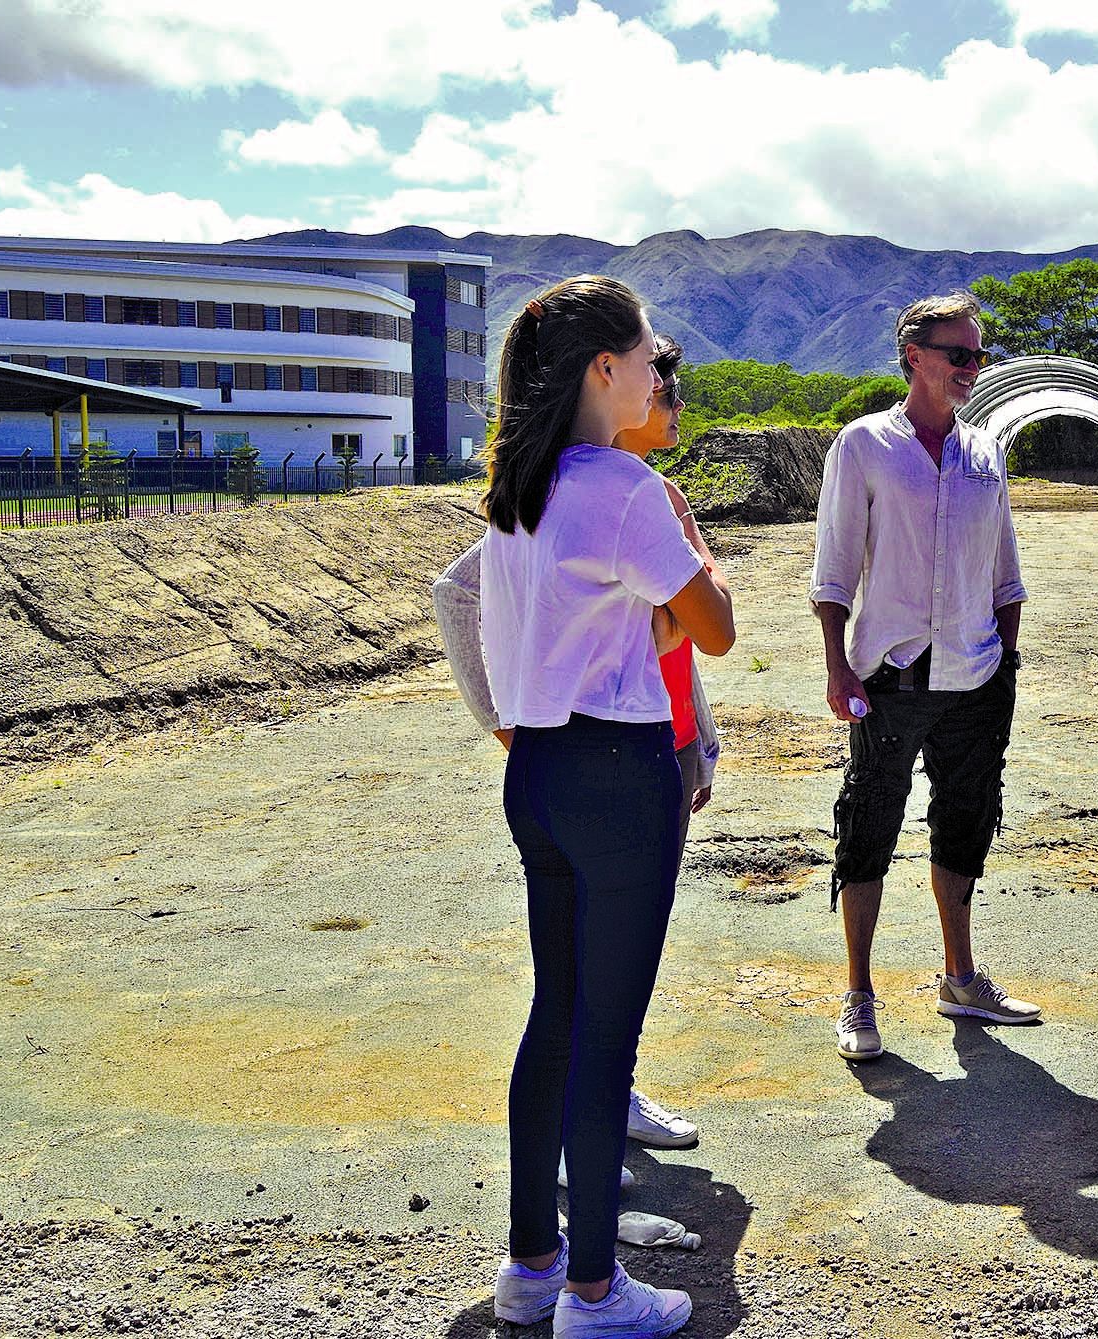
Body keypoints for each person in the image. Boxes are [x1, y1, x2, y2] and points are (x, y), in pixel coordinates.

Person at [477, 277, 733, 1338]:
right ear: (602, 370)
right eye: (642, 356)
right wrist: (690, 554)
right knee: (605, 1036)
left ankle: (530, 1263)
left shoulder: (517, 487)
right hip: (618, 774)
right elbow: (712, 626)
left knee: (553, 1016)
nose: (652, 373)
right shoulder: (623, 489)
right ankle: (594, 1291)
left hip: (532, 768)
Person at [434, 338, 718, 1160]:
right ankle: (583, 1149)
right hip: (602, 759)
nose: (672, 404)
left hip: (657, 746)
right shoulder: (575, 493)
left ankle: (606, 1109)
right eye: (662, 387)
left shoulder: (647, 493)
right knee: (584, 973)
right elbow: (457, 590)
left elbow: (670, 641)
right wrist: (507, 716)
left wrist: (699, 735)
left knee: (619, 964)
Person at [810, 291, 1034, 1064]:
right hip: (890, 676)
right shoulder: (865, 445)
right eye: (958, 353)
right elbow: (834, 566)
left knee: (965, 821)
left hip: (974, 677)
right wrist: (838, 664)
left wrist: (1004, 661)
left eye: (978, 354)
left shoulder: (983, 452)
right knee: (867, 824)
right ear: (914, 356)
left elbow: (1004, 569)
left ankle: (960, 977)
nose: (972, 367)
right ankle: (858, 993)